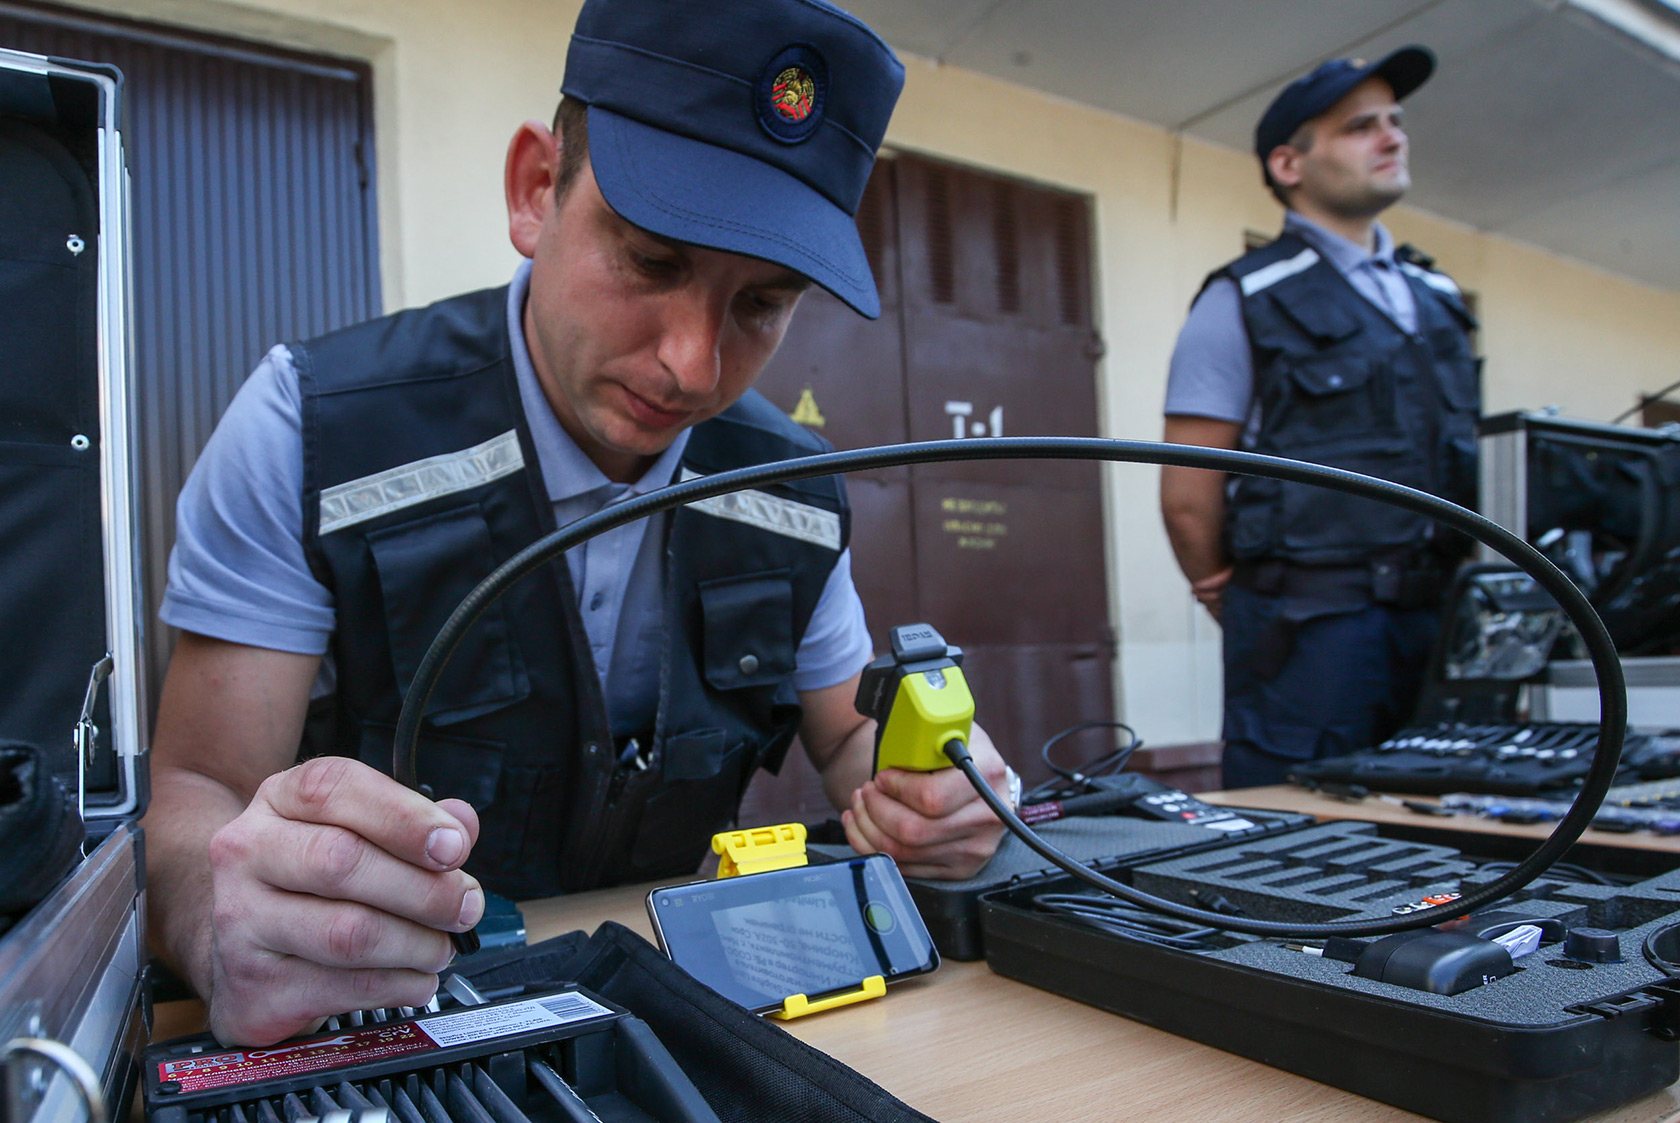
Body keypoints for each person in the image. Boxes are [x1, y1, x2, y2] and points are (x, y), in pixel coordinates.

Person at [144, 0, 1012, 1047]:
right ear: (535, 188)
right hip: (388, 1027)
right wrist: (218, 924)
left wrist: (941, 792)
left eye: (761, 304)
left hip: (684, 1012)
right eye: (652, 261)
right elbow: (199, 793)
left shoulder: (795, 488)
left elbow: (849, 738)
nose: (693, 366)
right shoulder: (312, 428)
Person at [1159, 46, 1480, 790]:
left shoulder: (1438, 299)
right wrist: (1231, 592)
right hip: (1310, 630)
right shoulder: (1244, 297)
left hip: (1441, 624)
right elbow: (1187, 492)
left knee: (1452, 829)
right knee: (1303, 828)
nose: (1392, 137)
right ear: (1288, 164)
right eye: (1360, 127)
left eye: (1395, 121)